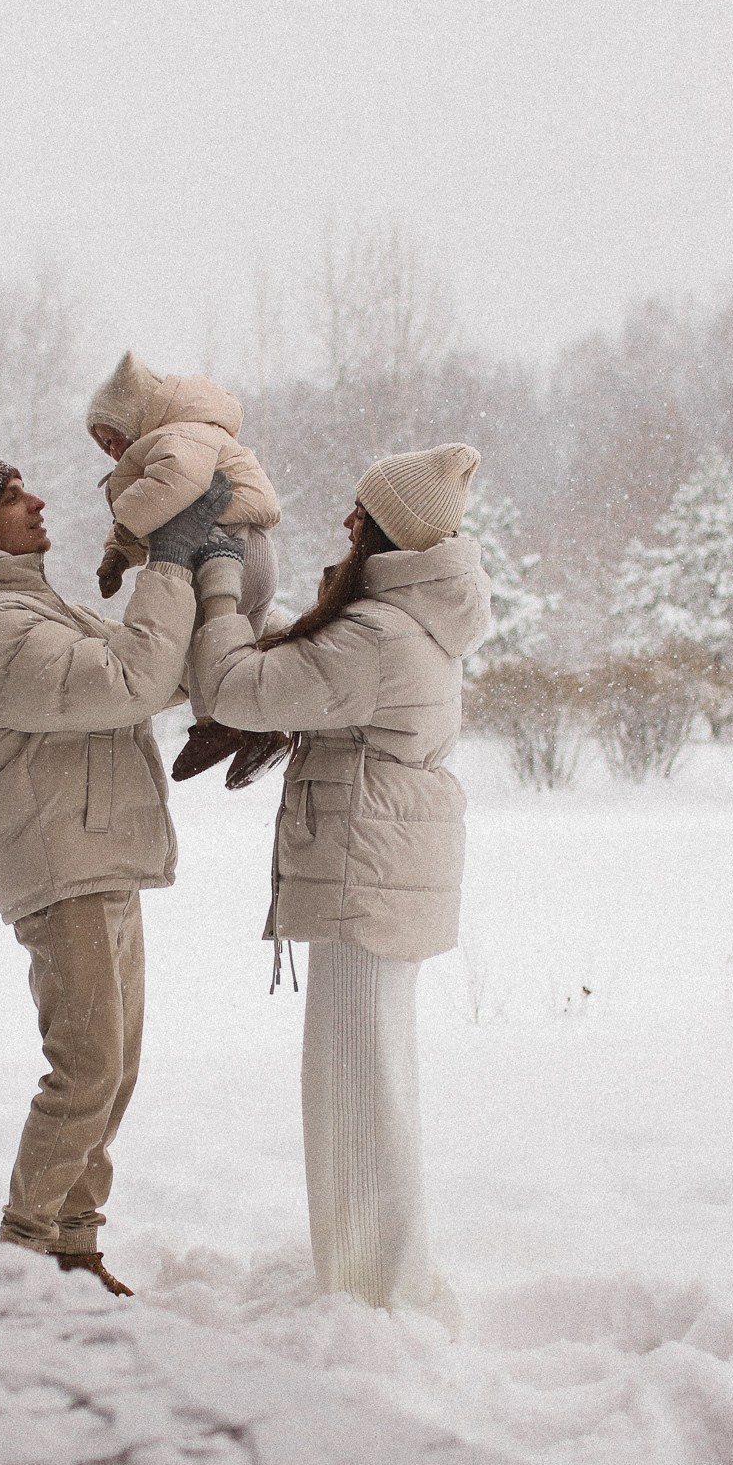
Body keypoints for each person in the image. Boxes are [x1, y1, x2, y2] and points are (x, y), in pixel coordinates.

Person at [0, 456, 235, 1297]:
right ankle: (20, 1259)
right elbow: (128, 681)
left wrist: (215, 579)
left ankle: (73, 1247)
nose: (37, 501)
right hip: (61, 866)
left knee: (112, 1071)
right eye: (13, 498)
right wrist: (168, 562)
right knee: (85, 1068)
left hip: (99, 853)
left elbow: (153, 668)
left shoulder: (35, 609)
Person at [185, 443, 489, 1325]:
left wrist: (216, 584)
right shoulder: (407, 621)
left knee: (353, 1085)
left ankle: (372, 1297)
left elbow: (237, 688)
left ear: (391, 531)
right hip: (386, 869)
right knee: (373, 1078)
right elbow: (304, 672)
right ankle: (381, 1280)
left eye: (364, 512)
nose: (348, 522)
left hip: (367, 872)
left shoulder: (377, 636)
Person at [84, 351, 292, 789]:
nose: (113, 450)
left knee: (200, 642)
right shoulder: (192, 434)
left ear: (136, 416)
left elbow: (173, 489)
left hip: (227, 552)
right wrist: (118, 554)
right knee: (238, 653)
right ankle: (260, 726)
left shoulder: (180, 436)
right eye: (104, 446)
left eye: (115, 437)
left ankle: (215, 726)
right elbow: (164, 512)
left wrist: (125, 525)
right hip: (251, 553)